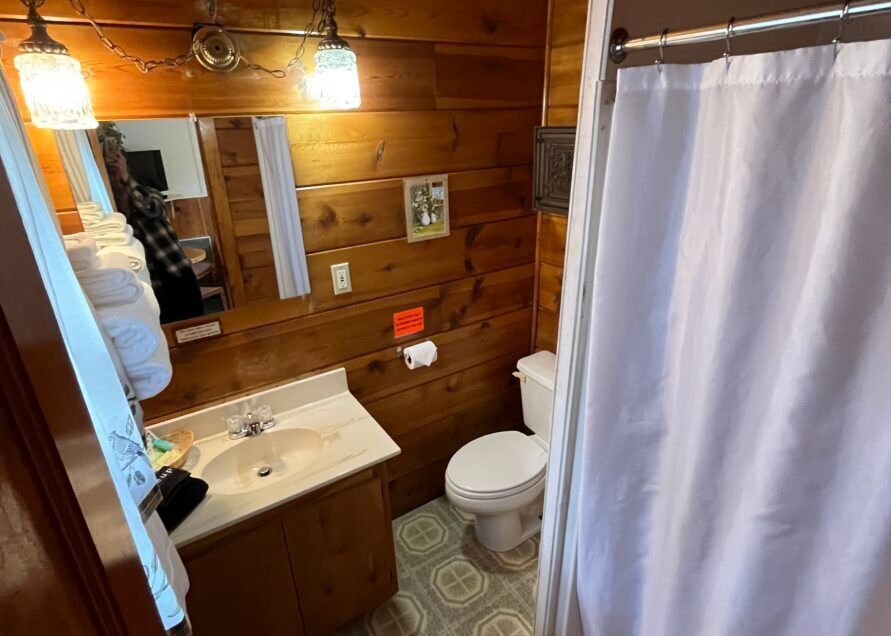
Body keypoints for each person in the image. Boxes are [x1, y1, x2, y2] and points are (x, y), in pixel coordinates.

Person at [101, 129, 203, 323]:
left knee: (194, 319)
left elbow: (150, 208)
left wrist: (124, 178)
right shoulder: (109, 210)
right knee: (165, 325)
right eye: (110, 173)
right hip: (148, 282)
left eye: (116, 171)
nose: (114, 177)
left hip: (177, 271)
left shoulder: (151, 193)